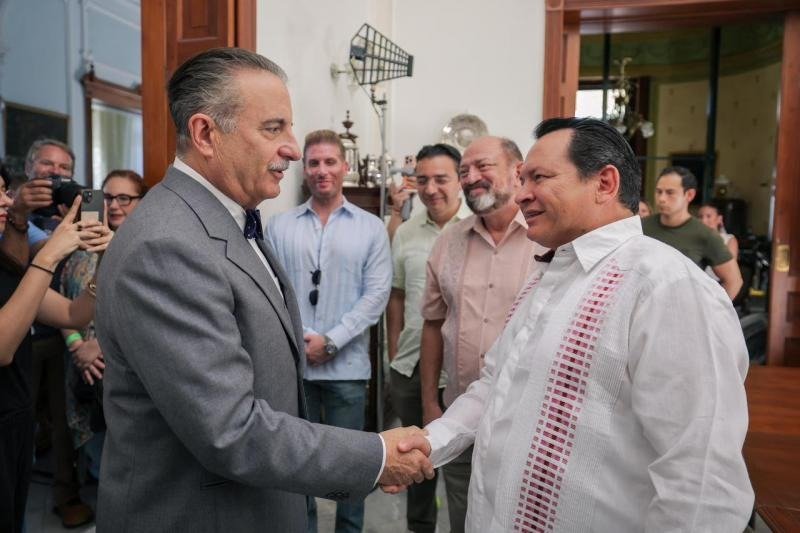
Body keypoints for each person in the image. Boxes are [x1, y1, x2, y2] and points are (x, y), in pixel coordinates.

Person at [94, 47, 432, 533]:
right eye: (274, 128)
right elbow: (231, 430)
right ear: (206, 133)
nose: (293, 150)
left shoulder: (227, 219)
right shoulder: (167, 245)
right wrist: (375, 457)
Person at [407, 117, 753, 531]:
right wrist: (431, 442)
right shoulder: (549, 275)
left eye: (539, 178)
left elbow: (699, 485)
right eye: (521, 180)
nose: (521, 195)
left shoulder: (667, 287)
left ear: (605, 183)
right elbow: (496, 386)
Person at [265, 129, 392, 533]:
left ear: (345, 166)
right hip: (293, 366)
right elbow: (269, 289)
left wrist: (332, 340)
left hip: (348, 370)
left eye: (330, 162)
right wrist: (302, 340)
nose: (322, 170)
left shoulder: (371, 228)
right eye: (314, 162)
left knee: (350, 466)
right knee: (296, 462)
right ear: (304, 169)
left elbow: (376, 295)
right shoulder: (279, 227)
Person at [418, 136, 544, 533]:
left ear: (517, 171)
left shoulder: (548, 240)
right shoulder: (448, 243)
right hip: (458, 415)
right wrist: (429, 405)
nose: (472, 178)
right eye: (464, 171)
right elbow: (433, 324)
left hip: (527, 424)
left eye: (483, 167)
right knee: (462, 518)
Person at [0, 194, 112, 533]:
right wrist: (49, 254)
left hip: (15, 421)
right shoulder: (32, 260)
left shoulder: (5, 265)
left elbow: (72, 313)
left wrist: (104, 259)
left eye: (4, 189)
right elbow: (3, 348)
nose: (7, 199)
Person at [8, 139, 96, 527]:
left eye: (64, 168)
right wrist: (19, 211)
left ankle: (66, 493)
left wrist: (104, 254)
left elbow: (71, 309)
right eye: (47, 164)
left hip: (50, 332)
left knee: (58, 418)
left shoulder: (69, 208)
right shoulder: (14, 212)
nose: (56, 173)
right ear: (29, 168)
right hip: (17, 338)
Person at [387, 143, 471, 533]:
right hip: (410, 365)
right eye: (423, 180)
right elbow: (398, 297)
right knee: (414, 464)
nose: (431, 188)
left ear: (459, 180)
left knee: (460, 471)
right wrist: (394, 354)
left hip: (460, 370)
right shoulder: (405, 232)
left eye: (441, 178)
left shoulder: (476, 229)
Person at [59, 170, 147, 481]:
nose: (114, 205)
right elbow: (61, 303)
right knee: (96, 460)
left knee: (129, 468)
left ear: (141, 201)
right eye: (108, 197)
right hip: (82, 370)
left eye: (125, 198)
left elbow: (149, 315)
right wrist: (77, 346)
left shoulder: (147, 250)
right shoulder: (78, 247)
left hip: (129, 374)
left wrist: (103, 345)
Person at [642, 166, 743, 299]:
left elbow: (734, 281)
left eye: (670, 192)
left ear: (689, 195)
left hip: (680, 313)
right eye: (659, 192)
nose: (662, 198)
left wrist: (709, 314)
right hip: (641, 312)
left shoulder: (705, 235)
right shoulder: (640, 226)